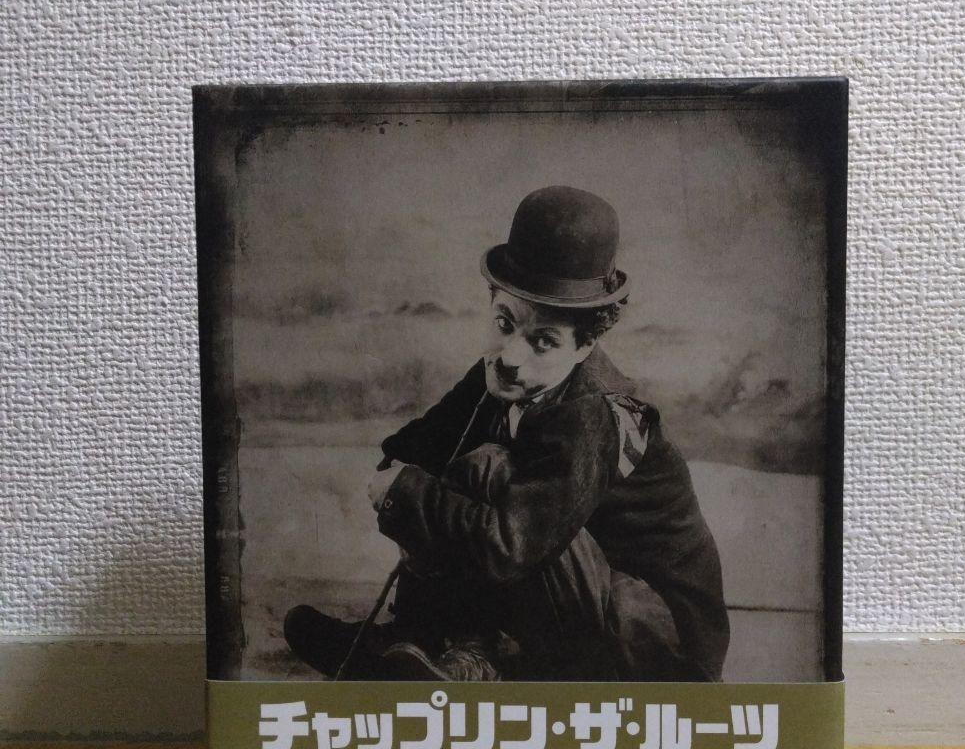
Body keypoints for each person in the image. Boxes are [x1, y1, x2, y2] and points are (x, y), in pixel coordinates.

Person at [285, 186, 729, 681]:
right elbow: (416, 448)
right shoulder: (504, 371)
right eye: (504, 322)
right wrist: (405, 479)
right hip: (580, 595)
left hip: (654, 645)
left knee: (488, 470)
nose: (512, 356)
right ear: (493, 304)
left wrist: (408, 494)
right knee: (452, 475)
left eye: (544, 341)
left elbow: (509, 546)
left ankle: (478, 660)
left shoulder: (593, 415)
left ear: (586, 345)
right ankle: (415, 639)